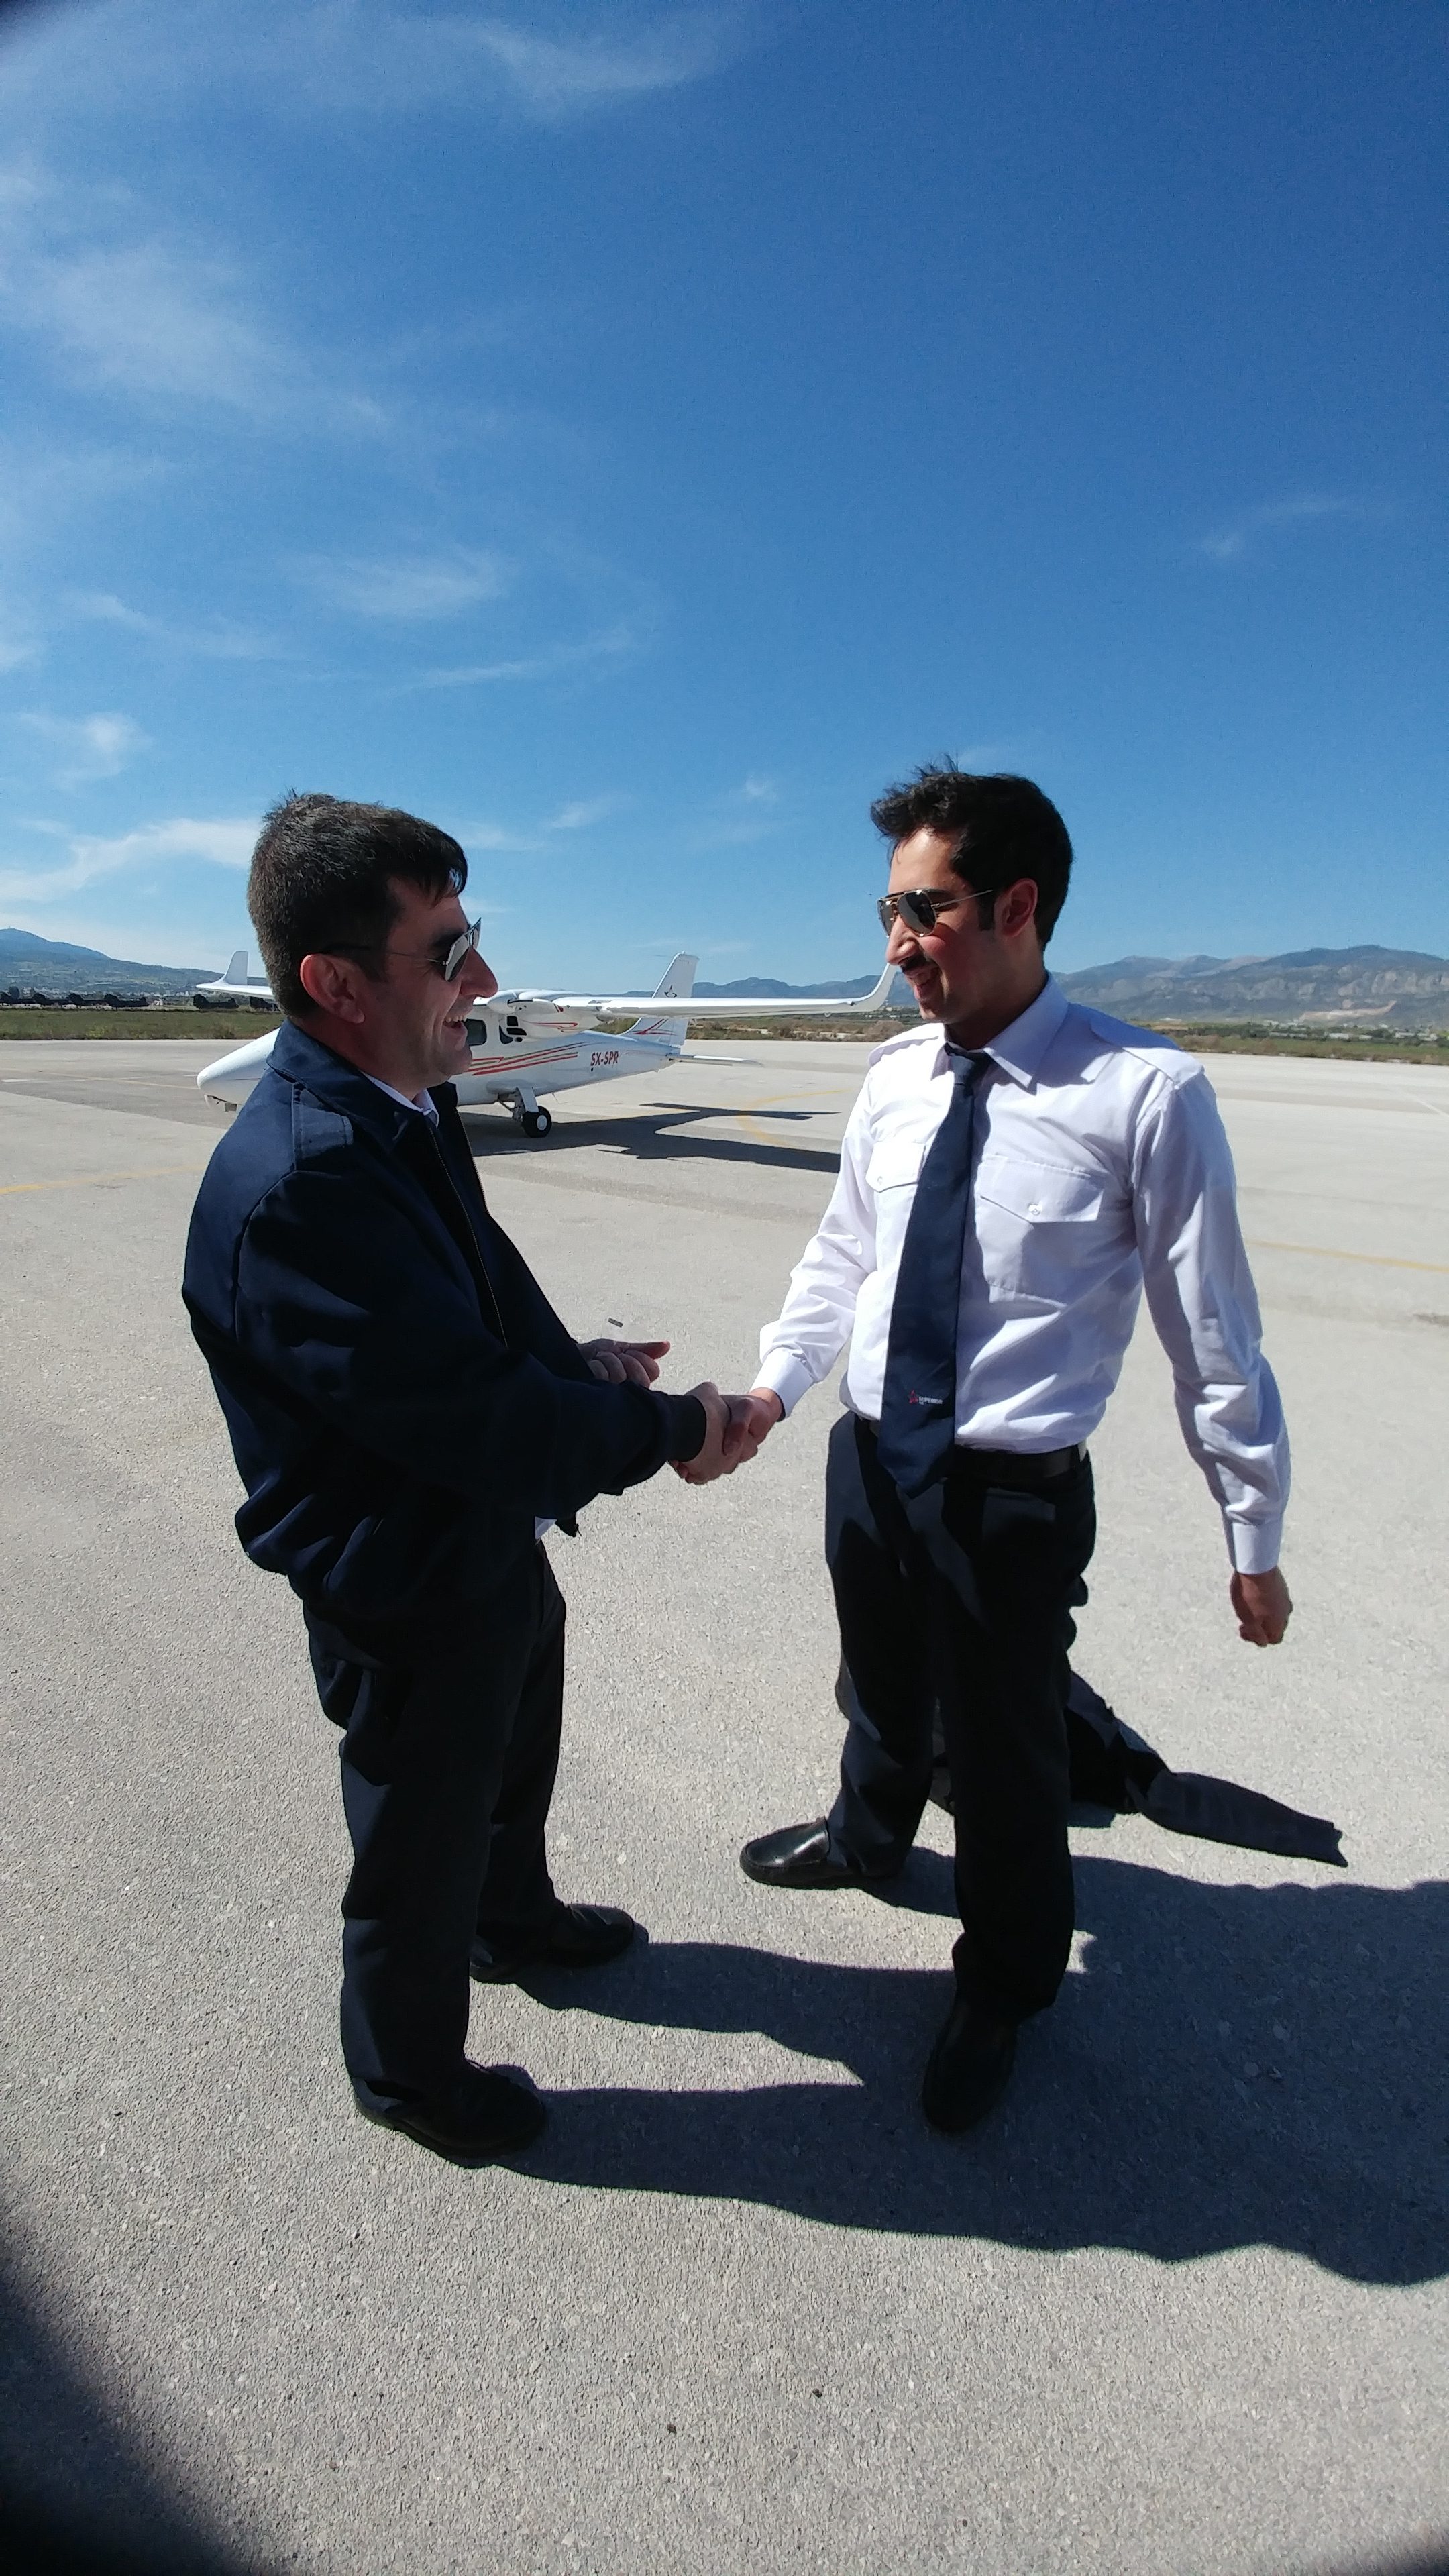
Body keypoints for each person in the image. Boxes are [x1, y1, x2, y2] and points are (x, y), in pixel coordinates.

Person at [702, 765, 1292, 2134]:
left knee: (1007, 1754)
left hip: (1007, 1495)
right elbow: (842, 1258)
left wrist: (1251, 1532)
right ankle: (867, 1837)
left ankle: (1007, 1981)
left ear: (1019, 906)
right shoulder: (894, 1080)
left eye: (927, 911)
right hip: (871, 1456)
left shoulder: (1145, 1092)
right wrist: (776, 1395)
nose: (899, 943)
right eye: (888, 913)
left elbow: (1214, 1335)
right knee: (877, 1685)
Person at [183, 794, 752, 2168]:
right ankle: (411, 2076)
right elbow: (485, 1420)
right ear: (336, 986)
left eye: (472, 935)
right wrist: (676, 1428)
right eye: (446, 952)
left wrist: (577, 1360)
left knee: (514, 1742)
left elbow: (478, 1282)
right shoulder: (303, 1184)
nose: (482, 978)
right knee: (419, 1833)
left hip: (478, 1536)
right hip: (401, 1574)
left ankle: (513, 1919)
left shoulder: (404, 1101)